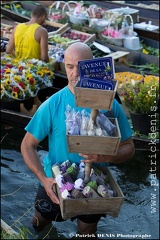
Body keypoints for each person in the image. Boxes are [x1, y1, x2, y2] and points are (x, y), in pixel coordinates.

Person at [21, 42, 135, 238]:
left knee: (87, 231)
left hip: (95, 183)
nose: (75, 74)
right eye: (69, 66)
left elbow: (129, 147)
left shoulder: (108, 104)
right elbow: (27, 145)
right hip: (56, 182)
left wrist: (105, 156)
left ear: (91, 65)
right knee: (39, 223)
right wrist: (44, 179)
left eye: (81, 66)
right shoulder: (52, 104)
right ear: (64, 66)